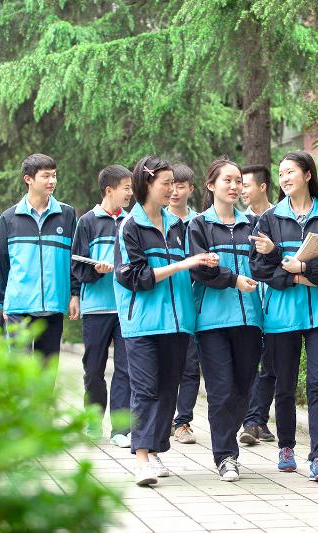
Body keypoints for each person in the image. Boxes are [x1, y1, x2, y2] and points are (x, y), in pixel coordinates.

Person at [113, 155, 219, 487]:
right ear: (147, 184)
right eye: (166, 183)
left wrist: (208, 264)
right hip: (143, 323)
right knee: (145, 389)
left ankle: (155, 448)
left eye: (175, 183)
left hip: (178, 322)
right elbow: (135, 277)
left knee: (167, 390)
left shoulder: (180, 227)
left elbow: (195, 267)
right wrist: (182, 264)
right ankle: (141, 458)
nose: (173, 190)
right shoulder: (130, 227)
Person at [249, 151, 318, 482]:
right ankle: (286, 448)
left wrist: (304, 265)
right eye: (281, 174)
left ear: (308, 175)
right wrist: (295, 276)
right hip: (281, 315)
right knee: (285, 385)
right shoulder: (270, 219)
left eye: (290, 172)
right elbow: (259, 267)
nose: (285, 178)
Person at [188, 158, 263, 481]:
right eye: (227, 181)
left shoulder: (253, 225)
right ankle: (226, 456)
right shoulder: (199, 225)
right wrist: (233, 279)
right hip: (212, 322)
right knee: (220, 390)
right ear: (211, 185)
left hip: (250, 319)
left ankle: (226, 441)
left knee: (243, 389)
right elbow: (199, 269)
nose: (234, 187)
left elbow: (262, 265)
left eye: (238, 181)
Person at [0, 153, 79, 366]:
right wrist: (3, 302)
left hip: (53, 306)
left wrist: (75, 294)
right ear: (28, 179)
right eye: (46, 176)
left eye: (54, 175)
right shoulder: (9, 218)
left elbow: (75, 258)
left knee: (46, 373)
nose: (52, 181)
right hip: (18, 308)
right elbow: (1, 263)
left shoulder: (67, 215)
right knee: (20, 372)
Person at [72, 164, 134, 447]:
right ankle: (93, 420)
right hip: (96, 308)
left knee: (125, 370)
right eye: (126, 188)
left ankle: (120, 430)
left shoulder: (131, 222)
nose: (130, 193)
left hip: (125, 308)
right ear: (110, 190)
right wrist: (96, 270)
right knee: (94, 369)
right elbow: (77, 265)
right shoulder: (87, 222)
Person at [239, 164, 277, 444]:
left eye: (246, 185)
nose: (240, 190)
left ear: (262, 187)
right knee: (250, 363)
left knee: (272, 364)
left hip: (275, 301)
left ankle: (256, 420)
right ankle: (250, 419)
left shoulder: (280, 219)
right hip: (248, 302)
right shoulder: (240, 222)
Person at [167, 163, 200, 445]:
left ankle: (182, 422)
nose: (175, 191)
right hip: (165, 304)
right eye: (171, 185)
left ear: (191, 188)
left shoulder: (201, 222)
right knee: (165, 365)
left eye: (181, 186)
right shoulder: (157, 221)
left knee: (191, 365)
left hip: (194, 304)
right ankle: (163, 418)